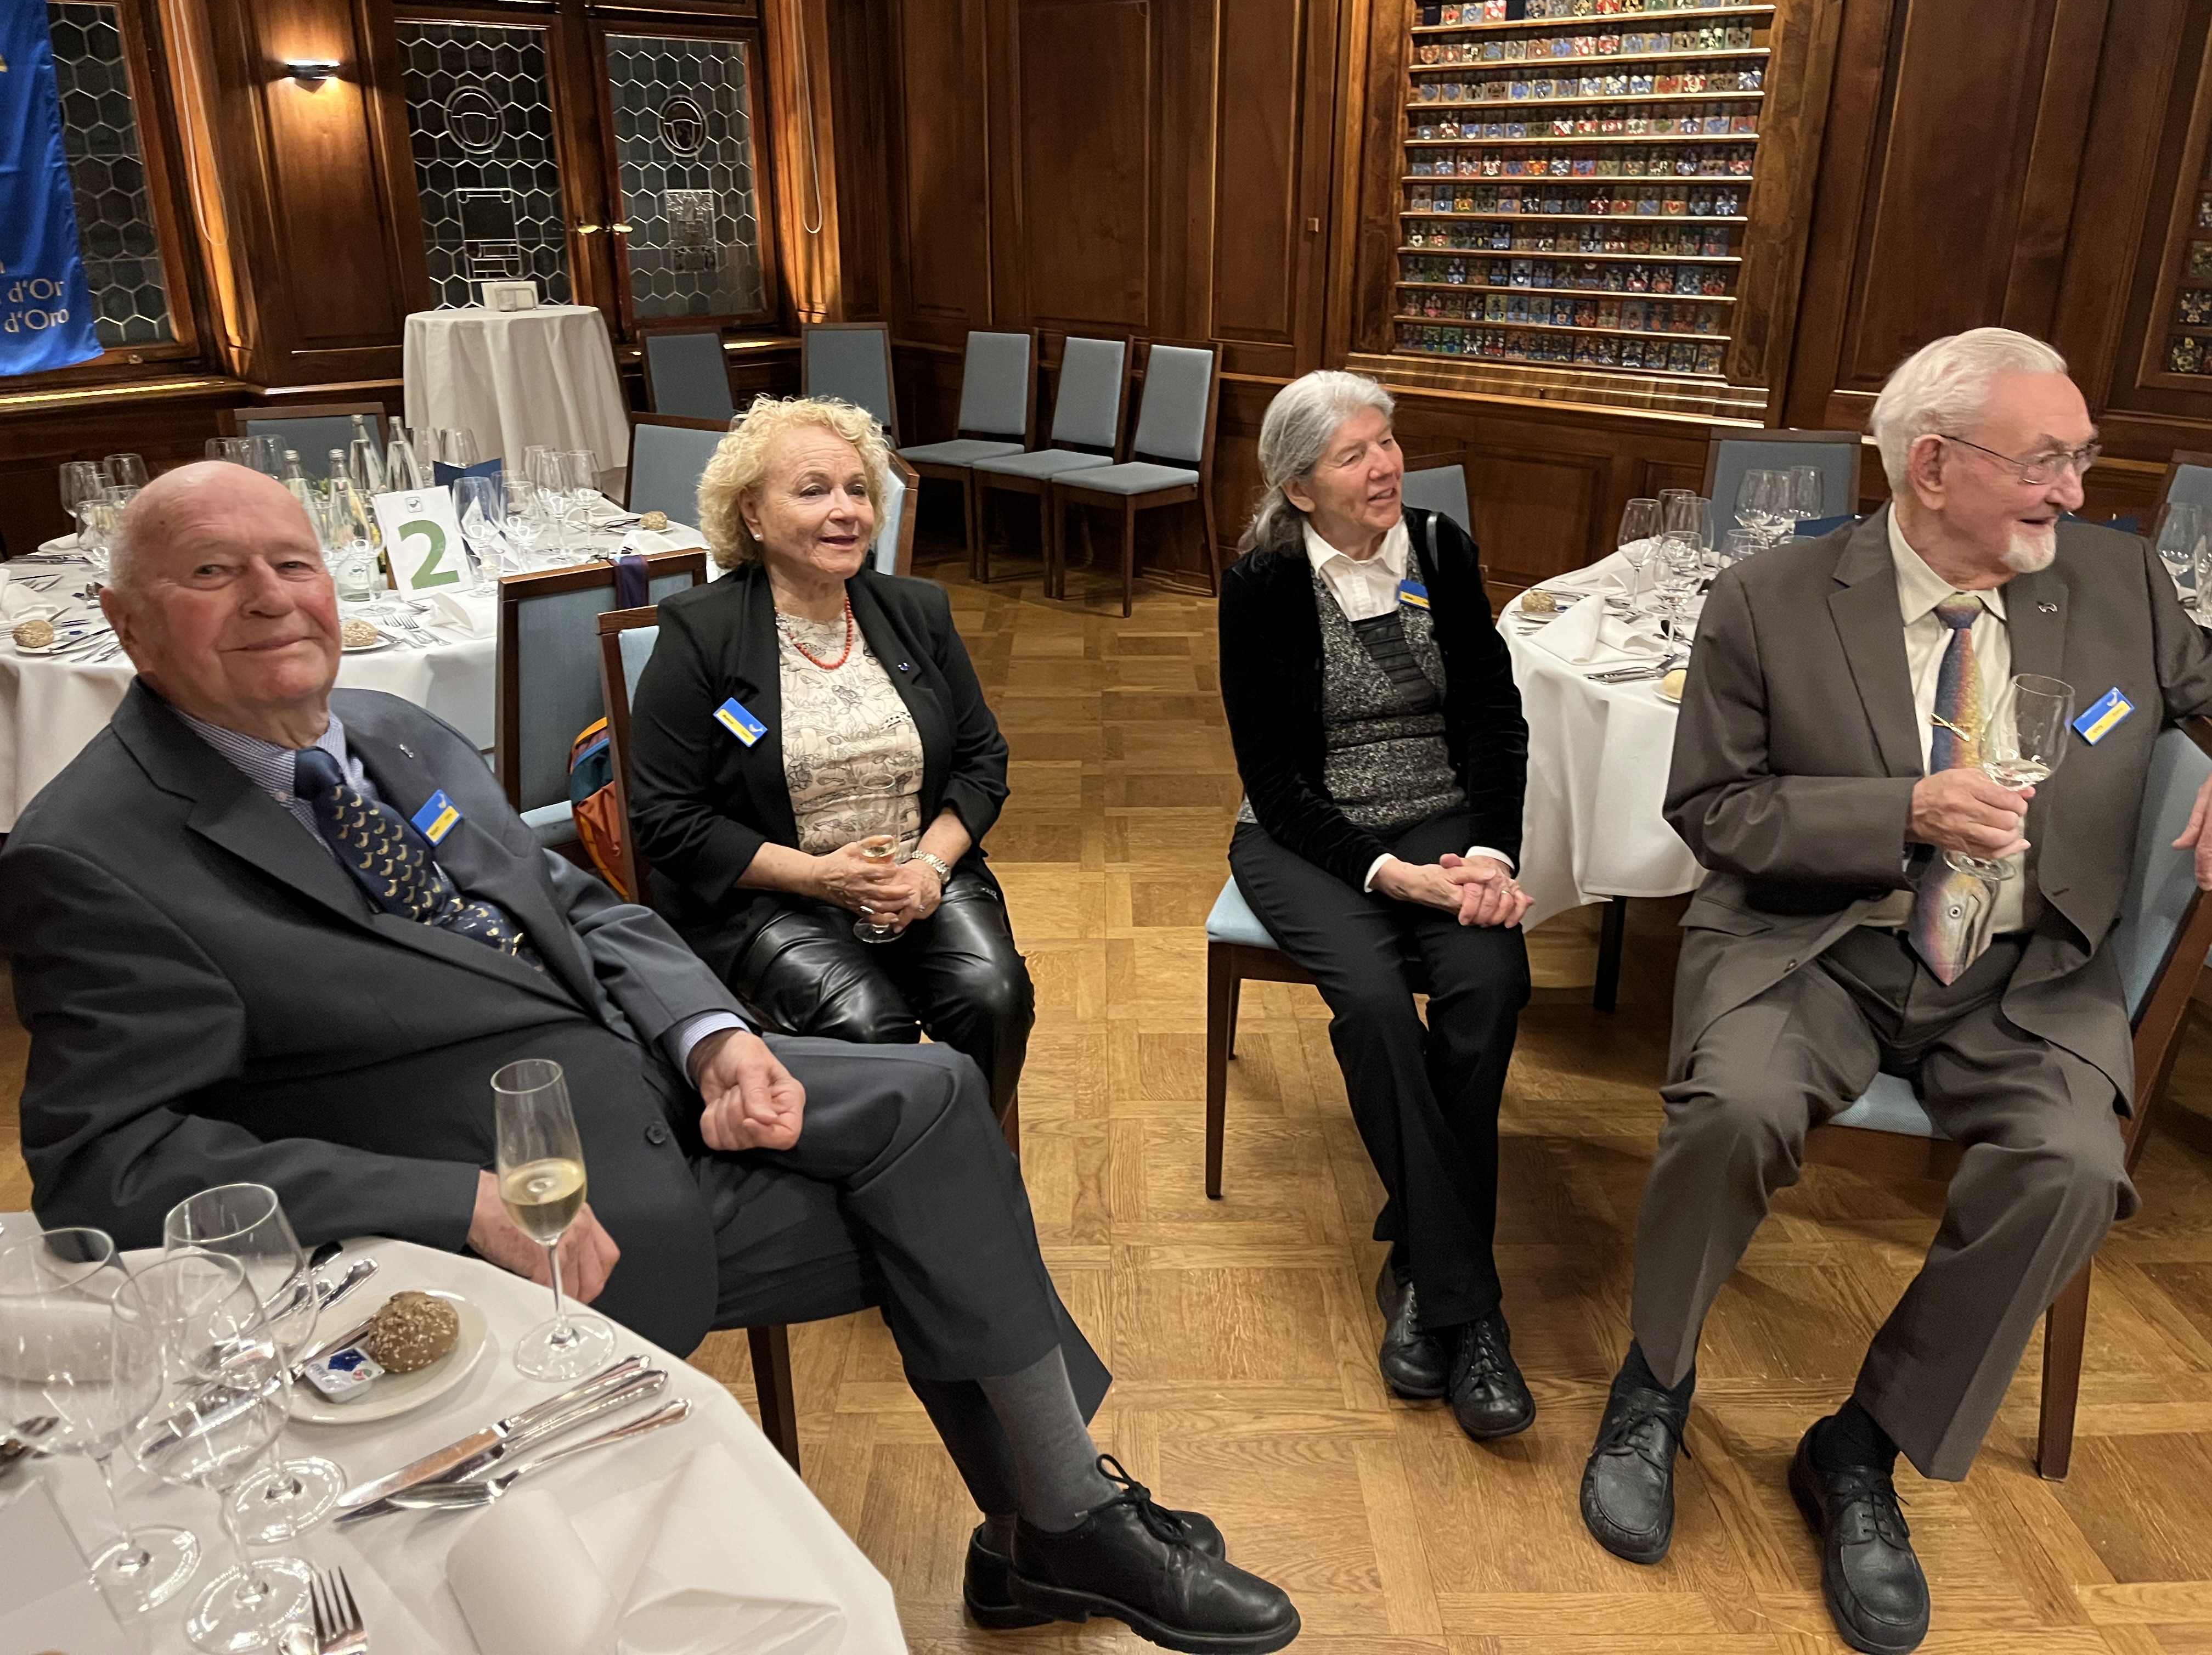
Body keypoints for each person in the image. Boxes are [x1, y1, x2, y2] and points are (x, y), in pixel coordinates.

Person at [0, 461, 1300, 1654]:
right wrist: (453, 1200)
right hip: (527, 1200)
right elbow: (106, 1163)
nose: (271, 597)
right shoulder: (94, 851)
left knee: (940, 1090)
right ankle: (1055, 1521)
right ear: (126, 624)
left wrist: (712, 1032)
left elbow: (578, 904)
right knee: (951, 1211)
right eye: (212, 572)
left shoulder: (393, 732)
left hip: (652, 1075)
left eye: (293, 562)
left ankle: (1047, 1526)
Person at [1578, 328, 2212, 1655]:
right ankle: (1655, 1384)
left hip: (2029, 974)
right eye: (2046, 461)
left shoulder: (2119, 582)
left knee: (2074, 1169)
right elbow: (1715, 810)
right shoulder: (1770, 598)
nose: (2077, 490)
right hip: (1816, 946)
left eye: (2083, 457)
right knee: (1735, 1110)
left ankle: (1862, 1446)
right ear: (1933, 466)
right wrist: (1901, 812)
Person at [1217, 370, 1537, 1443]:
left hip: (1444, 819)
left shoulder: (1439, 548)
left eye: (1387, 441)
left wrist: (1487, 852)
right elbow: (1272, 778)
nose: (1386, 465)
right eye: (1354, 454)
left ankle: (1419, 1260)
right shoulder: (1261, 584)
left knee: (1491, 983)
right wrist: (1387, 875)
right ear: (1300, 488)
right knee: (1372, 1005)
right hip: (1308, 836)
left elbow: (1494, 715)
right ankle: (1469, 1312)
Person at [625, 395, 1032, 1128]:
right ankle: (884, 1178)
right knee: (867, 1023)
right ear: (753, 513)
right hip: (770, 897)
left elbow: (982, 761)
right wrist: (820, 877)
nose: (846, 511)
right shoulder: (701, 633)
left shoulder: (918, 612)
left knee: (994, 997)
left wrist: (929, 868)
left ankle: (963, 1160)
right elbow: (666, 819)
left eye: (858, 490)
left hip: (918, 877)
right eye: (814, 491)